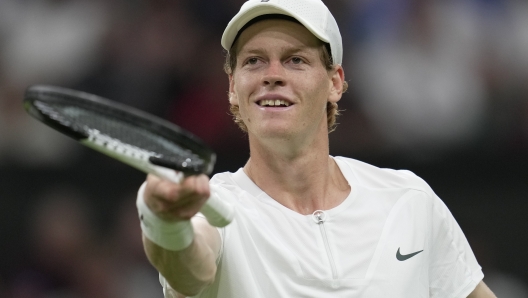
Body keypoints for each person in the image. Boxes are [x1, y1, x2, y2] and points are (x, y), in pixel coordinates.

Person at [136, 0, 496, 297]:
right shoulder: (212, 206)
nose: (272, 74)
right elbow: (188, 271)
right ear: (233, 87)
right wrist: (166, 224)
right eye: (253, 61)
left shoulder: (409, 200)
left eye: (296, 60)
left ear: (334, 82)